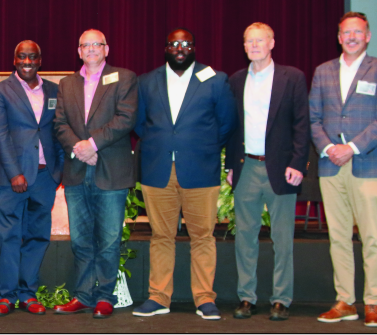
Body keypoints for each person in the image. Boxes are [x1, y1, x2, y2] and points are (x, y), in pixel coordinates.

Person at [133, 28, 236, 320]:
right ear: (166, 47)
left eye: (186, 43)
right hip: (158, 169)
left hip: (200, 169)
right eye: (174, 43)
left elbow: (226, 123)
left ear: (194, 47)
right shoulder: (146, 81)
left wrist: (200, 147)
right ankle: (158, 297)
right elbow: (141, 125)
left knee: (202, 236)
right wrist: (167, 143)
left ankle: (204, 299)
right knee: (161, 235)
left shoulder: (215, 79)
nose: (180, 48)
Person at [311, 12, 377, 328]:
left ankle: (373, 302)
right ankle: (345, 300)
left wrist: (352, 147)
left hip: (368, 164)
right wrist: (330, 148)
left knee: (372, 237)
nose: (352, 37)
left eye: (357, 32)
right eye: (346, 32)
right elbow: (314, 118)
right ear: (339, 36)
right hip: (331, 165)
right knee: (339, 238)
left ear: (368, 36)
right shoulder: (323, 72)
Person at [224, 23, 310, 321]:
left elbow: (302, 124)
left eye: (260, 40)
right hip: (246, 167)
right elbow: (232, 128)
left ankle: (281, 299)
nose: (255, 45)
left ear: (272, 43)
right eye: (249, 41)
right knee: (244, 237)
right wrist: (230, 166)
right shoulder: (236, 80)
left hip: (281, 169)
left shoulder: (293, 77)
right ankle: (247, 298)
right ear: (244, 45)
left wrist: (298, 163)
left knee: (282, 238)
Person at [53, 29, 138, 319]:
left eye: (96, 44)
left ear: (106, 48)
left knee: (110, 238)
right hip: (77, 170)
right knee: (80, 239)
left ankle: (104, 296)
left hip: (111, 170)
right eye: (85, 45)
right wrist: (78, 148)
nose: (91, 49)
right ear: (78, 51)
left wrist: (91, 144)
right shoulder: (66, 83)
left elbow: (126, 118)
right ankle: (83, 295)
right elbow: (60, 123)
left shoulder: (124, 77)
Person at [0, 40, 64, 316]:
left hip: (46, 177)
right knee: (9, 235)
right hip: (14, 178)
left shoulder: (55, 90)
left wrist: (59, 172)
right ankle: (6, 295)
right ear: (14, 60)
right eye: (22, 57)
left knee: (37, 236)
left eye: (32, 57)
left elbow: (59, 131)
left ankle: (27, 294)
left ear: (40, 60)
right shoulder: (0, 91)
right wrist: (14, 172)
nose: (27, 61)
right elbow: (1, 134)